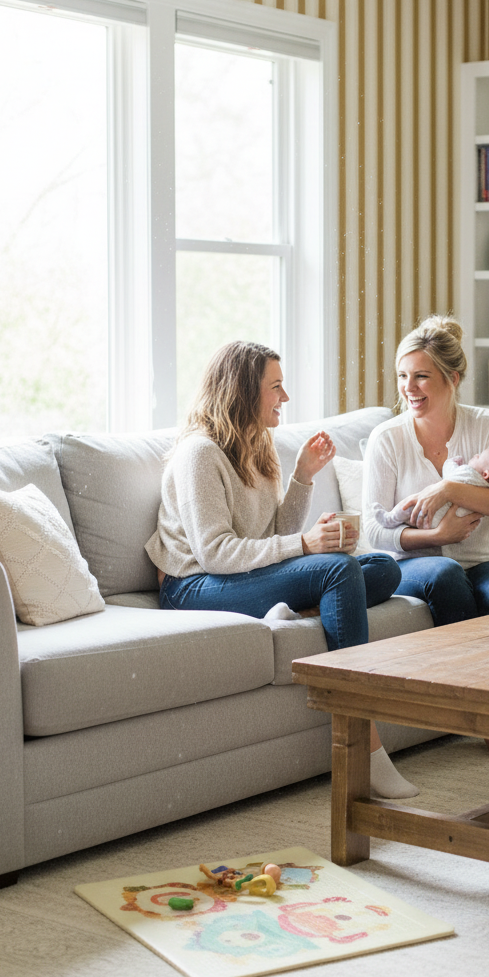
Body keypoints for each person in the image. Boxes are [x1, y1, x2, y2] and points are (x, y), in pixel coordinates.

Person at [145, 340, 416, 799]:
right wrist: (306, 545)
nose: (285, 398)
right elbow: (214, 553)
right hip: (191, 585)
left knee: (383, 570)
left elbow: (273, 534)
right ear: (243, 392)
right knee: (338, 573)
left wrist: (303, 476)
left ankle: (306, 604)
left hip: (235, 576)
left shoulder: (256, 446)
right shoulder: (200, 454)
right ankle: (361, 744)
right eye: (276, 387)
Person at [363, 315, 489, 762]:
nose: (410, 388)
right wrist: (436, 534)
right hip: (412, 564)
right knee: (445, 574)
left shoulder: (487, 425)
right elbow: (373, 530)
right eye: (403, 376)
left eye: (422, 376)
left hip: (485, 559)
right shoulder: (387, 438)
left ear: (453, 378)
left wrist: (446, 489)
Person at [376, 446, 489, 531]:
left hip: (428, 513)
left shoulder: (468, 473)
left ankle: (388, 518)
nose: (475, 455)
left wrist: (452, 462)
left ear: (485, 474)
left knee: (409, 503)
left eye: (479, 457)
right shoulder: (486, 490)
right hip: (440, 524)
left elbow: (449, 473)